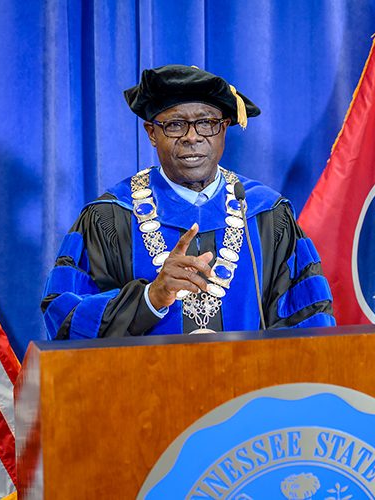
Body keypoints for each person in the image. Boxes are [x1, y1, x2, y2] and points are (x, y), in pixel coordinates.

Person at [42, 64, 334, 339]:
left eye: (206, 123)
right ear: (152, 133)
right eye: (175, 125)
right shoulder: (110, 217)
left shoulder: (267, 215)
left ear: (224, 128)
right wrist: (150, 298)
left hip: (250, 378)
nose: (192, 137)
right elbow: (65, 319)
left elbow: (309, 324)